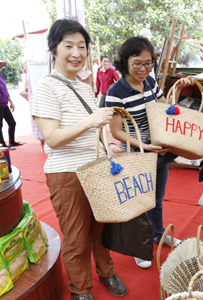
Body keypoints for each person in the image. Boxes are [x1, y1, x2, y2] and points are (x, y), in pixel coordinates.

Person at [30, 19, 127, 300]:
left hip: (96, 169)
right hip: (66, 174)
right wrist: (91, 121)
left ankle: (107, 273)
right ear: (53, 50)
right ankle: (80, 289)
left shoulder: (84, 86)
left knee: (101, 230)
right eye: (68, 46)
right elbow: (52, 138)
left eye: (81, 46)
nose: (76, 53)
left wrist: (108, 145)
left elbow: (96, 128)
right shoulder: (46, 87)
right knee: (75, 237)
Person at [106, 36, 193, 269]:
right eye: (137, 64)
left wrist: (178, 91)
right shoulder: (116, 92)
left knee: (156, 199)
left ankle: (157, 234)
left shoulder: (151, 82)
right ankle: (138, 245)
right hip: (136, 154)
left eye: (148, 63)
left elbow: (166, 110)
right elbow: (116, 131)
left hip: (159, 149)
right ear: (125, 61)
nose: (143, 69)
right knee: (139, 202)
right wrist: (143, 146)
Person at [0, 61, 22, 150]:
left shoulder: (1, 76)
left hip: (4, 104)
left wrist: (11, 102)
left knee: (12, 123)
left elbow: (5, 90)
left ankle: (12, 142)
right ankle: (3, 145)